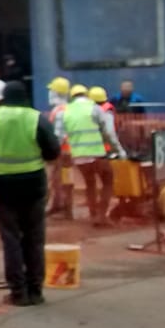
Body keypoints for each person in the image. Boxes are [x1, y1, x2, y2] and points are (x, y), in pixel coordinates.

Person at [0, 81, 60, 306]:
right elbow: (53, 150)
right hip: (33, 184)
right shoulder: (36, 118)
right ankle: (35, 290)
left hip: (2, 185)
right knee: (34, 237)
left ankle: (18, 292)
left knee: (11, 237)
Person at [63, 84, 126, 227]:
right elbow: (109, 133)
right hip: (96, 153)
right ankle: (102, 216)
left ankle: (93, 214)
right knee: (108, 181)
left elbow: (61, 135)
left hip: (78, 156)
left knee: (90, 184)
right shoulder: (94, 108)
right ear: (86, 95)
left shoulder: (66, 111)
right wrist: (119, 151)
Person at [45, 76, 73, 217]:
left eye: (51, 90)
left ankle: (65, 208)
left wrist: (52, 150)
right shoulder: (66, 108)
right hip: (67, 151)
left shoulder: (60, 111)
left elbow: (59, 134)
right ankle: (60, 206)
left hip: (63, 152)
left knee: (62, 179)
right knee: (62, 179)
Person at [88, 86, 117, 154]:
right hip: (106, 148)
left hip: (95, 148)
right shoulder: (107, 109)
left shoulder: (90, 110)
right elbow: (110, 132)